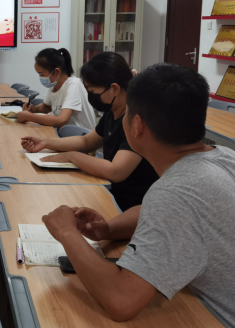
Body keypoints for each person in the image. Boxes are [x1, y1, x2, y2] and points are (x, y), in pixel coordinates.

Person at [40, 63, 235, 328]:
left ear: (137, 126)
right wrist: (109, 229)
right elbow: (165, 211)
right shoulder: (225, 157)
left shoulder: (177, 191)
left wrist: (66, 233)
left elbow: (121, 301)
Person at [21, 52, 158, 211]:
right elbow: (86, 141)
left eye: (93, 91)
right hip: (111, 192)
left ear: (114, 89)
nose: (91, 97)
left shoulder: (136, 121)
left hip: (131, 206)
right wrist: (46, 142)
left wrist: (72, 156)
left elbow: (116, 172)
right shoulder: (113, 112)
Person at [17, 48, 97, 130]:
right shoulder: (54, 84)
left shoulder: (74, 85)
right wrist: (35, 109)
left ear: (57, 71)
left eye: (42, 75)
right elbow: (48, 107)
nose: (41, 78)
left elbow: (62, 120)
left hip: (81, 135)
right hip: (64, 133)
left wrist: (29, 116)